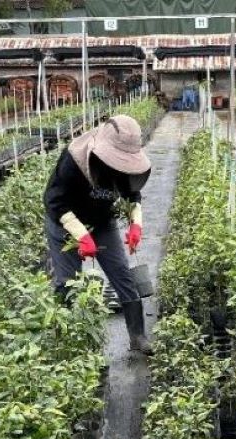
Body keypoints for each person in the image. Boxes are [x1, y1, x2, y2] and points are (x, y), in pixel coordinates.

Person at [44, 114, 153, 354]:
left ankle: (138, 336)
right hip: (64, 222)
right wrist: (81, 235)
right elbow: (53, 201)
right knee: (67, 283)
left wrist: (136, 223)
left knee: (122, 275)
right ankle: (67, 346)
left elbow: (133, 194)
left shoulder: (127, 164)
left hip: (103, 222)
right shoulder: (73, 160)